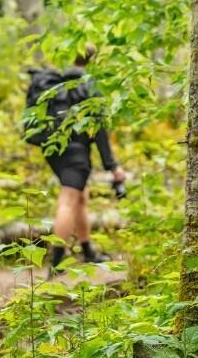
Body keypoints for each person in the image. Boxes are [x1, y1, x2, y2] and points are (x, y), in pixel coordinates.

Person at [25, 47, 127, 272]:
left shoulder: (60, 83)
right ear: (94, 61)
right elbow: (100, 129)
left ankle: (87, 250)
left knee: (80, 197)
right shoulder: (89, 86)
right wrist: (113, 166)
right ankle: (56, 262)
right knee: (68, 201)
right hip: (76, 153)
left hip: (53, 149)